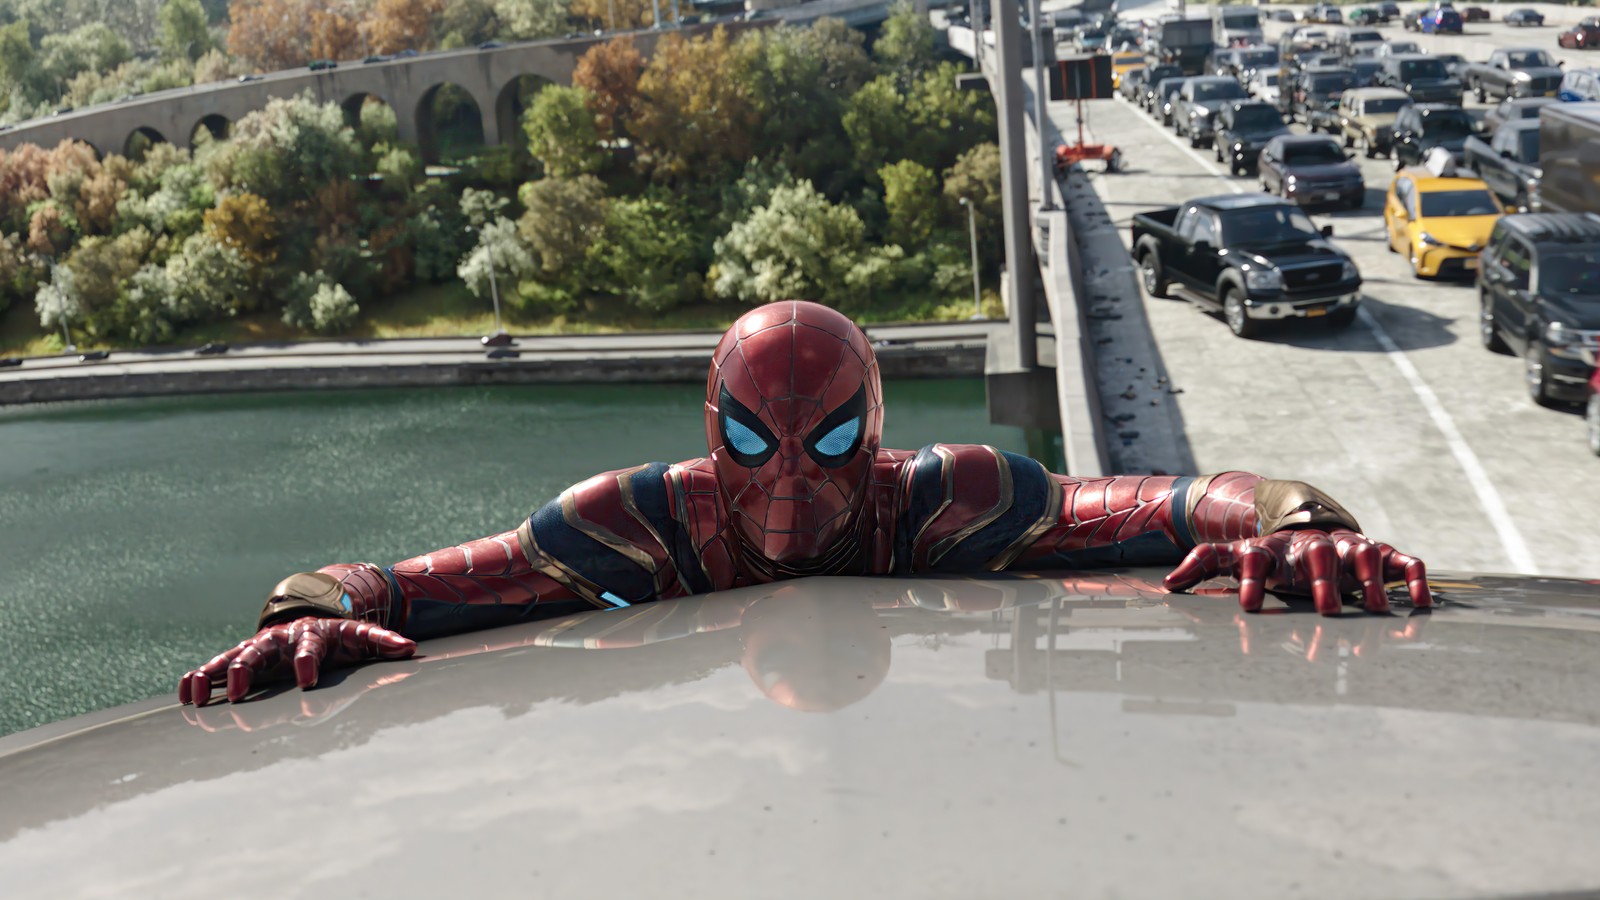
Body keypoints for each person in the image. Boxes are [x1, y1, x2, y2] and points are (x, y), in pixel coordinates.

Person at [179, 300, 1432, 707]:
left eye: (828, 441)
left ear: (874, 438)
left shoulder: (949, 496)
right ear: (705, 435)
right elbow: (393, 585)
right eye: (749, 440)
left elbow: (1177, 500)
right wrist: (307, 610)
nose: (786, 479)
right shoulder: (630, 517)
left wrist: (1297, 522)